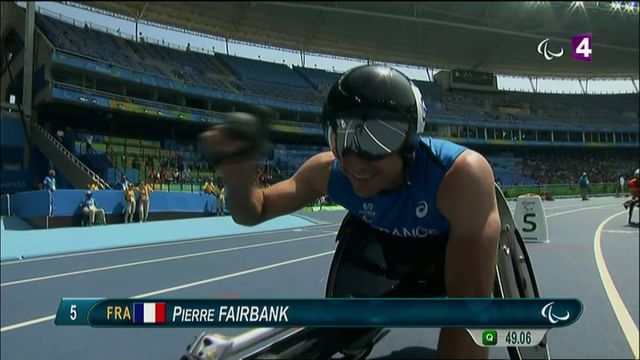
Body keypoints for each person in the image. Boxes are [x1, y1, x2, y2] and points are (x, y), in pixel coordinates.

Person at [198, 65, 501, 358]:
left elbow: (469, 308)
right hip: (389, 257)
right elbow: (255, 211)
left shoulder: (458, 176)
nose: (355, 162)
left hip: (455, 257)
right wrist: (238, 175)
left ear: (411, 139)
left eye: (377, 138)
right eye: (341, 137)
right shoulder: (326, 172)